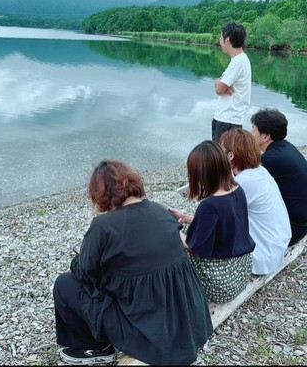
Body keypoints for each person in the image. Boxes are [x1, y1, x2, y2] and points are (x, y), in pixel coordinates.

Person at [53, 159, 213, 365]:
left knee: (65, 284)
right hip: (190, 322)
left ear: (101, 193)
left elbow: (83, 272)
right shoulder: (160, 211)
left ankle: (95, 348)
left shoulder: (103, 226)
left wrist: (81, 254)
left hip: (152, 337)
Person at [169, 140, 255, 303]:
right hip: (240, 272)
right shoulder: (237, 189)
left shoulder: (210, 205)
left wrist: (173, 232)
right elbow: (225, 226)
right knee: (187, 229)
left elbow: (195, 249)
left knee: (176, 241)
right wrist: (187, 218)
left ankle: (179, 290)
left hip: (220, 285)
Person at [219, 128, 291, 275]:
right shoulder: (260, 171)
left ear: (231, 156)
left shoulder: (243, 182)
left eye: (221, 151)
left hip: (262, 257)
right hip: (278, 245)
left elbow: (219, 220)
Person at [250, 108, 307, 246]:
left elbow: (242, 177)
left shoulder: (270, 159)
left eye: (253, 130)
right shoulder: (286, 147)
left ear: (265, 136)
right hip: (301, 222)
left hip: (291, 229)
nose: (250, 134)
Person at [212, 21, 251, 142]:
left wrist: (219, 83)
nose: (220, 41)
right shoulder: (240, 59)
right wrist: (219, 81)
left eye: (221, 38)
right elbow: (220, 83)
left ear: (227, 40)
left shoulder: (238, 62)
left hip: (227, 120)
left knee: (221, 153)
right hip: (228, 119)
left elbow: (219, 90)